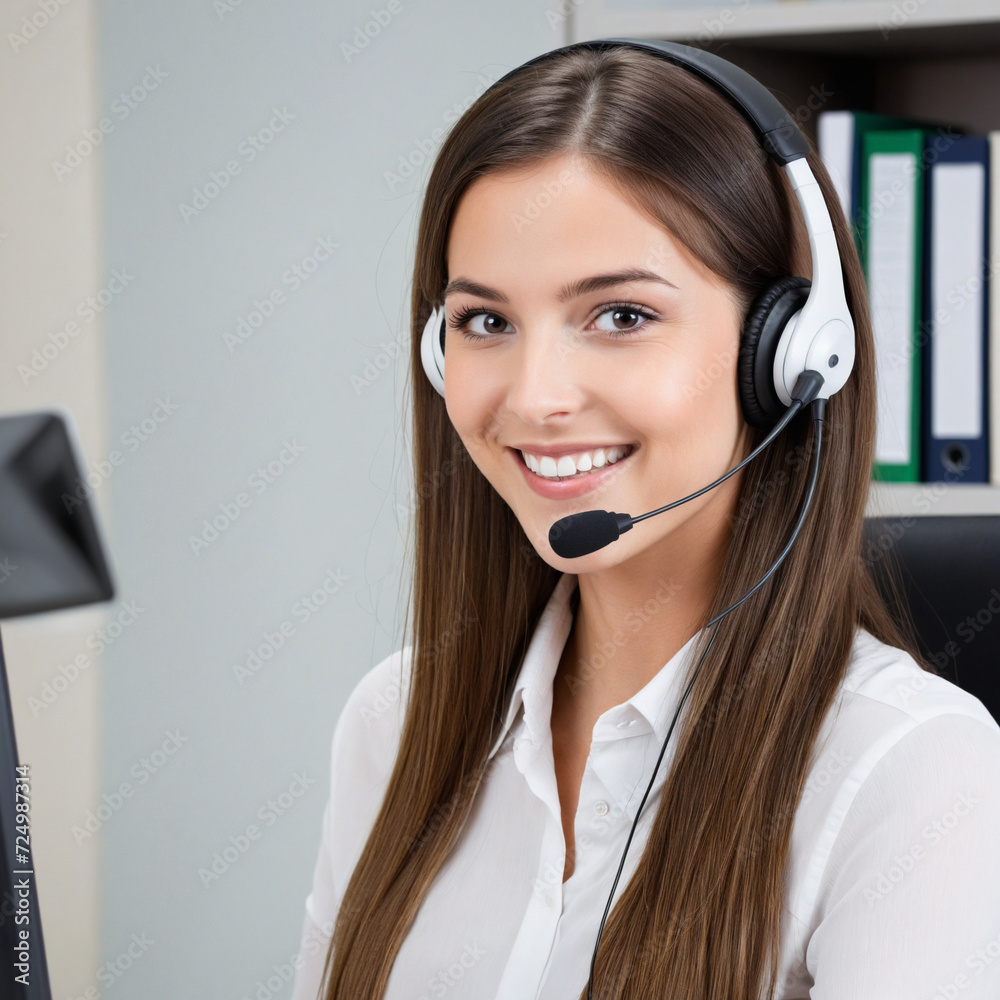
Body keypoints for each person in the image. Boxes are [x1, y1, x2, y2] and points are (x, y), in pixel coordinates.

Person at [290, 40, 1000, 1000]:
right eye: (486, 322)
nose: (535, 398)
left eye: (620, 316)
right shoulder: (395, 720)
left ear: (791, 353)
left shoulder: (916, 777)